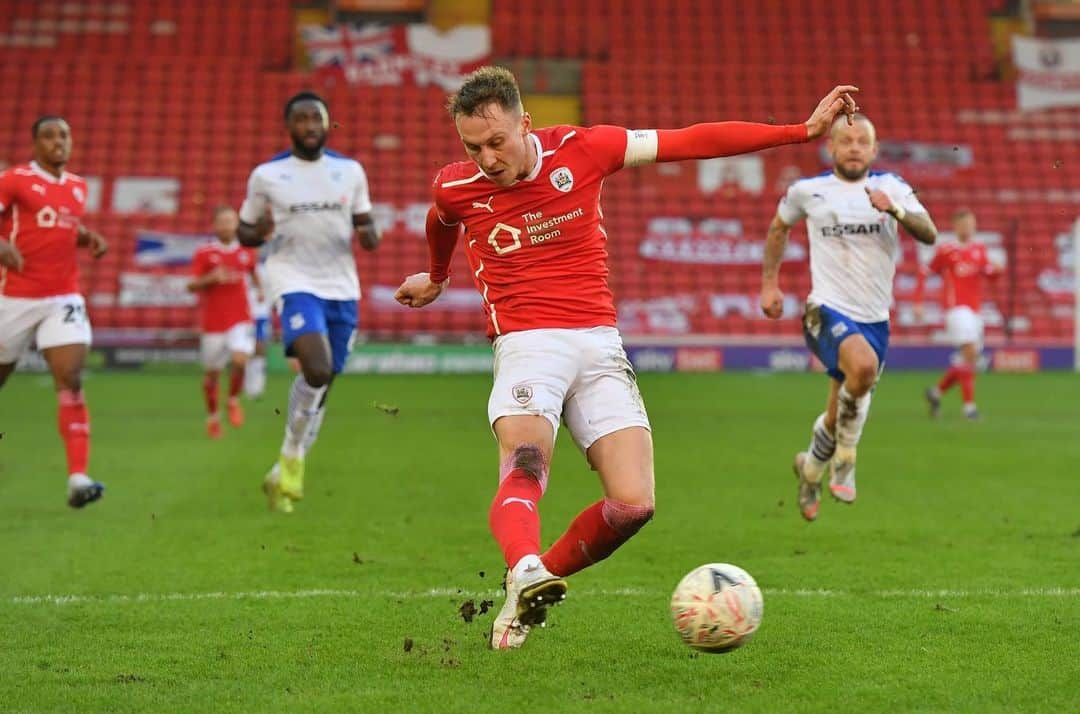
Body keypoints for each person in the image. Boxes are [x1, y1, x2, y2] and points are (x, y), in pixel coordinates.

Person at [393, 66, 859, 649]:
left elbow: (692, 141)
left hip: (598, 342)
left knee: (634, 504)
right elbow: (441, 219)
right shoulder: (456, 186)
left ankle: (528, 589)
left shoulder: (587, 149)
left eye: (496, 142)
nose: (486, 158)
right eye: (473, 147)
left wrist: (799, 131)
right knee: (527, 461)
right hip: (526, 342)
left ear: (525, 125)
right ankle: (525, 566)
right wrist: (437, 277)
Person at [760, 113, 938, 522]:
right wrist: (770, 284)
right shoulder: (809, 191)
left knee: (839, 408)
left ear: (874, 150)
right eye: (846, 140)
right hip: (824, 308)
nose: (854, 147)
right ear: (831, 148)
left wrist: (893, 210)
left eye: (862, 141)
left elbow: (929, 232)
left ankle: (809, 471)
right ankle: (846, 459)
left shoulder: (891, 188)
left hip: (875, 319)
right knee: (863, 367)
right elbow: (777, 228)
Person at [237, 91, 380, 513]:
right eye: (301, 120)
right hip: (292, 278)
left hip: (342, 286)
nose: (309, 126)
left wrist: (371, 235)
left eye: (316, 118)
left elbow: (365, 223)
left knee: (323, 385)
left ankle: (282, 471)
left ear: (326, 123)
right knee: (315, 369)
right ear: (290, 126)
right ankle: (293, 455)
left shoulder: (349, 171)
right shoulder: (267, 175)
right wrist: (258, 230)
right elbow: (245, 233)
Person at [0, 116, 109, 508]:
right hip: (13, 297)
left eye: (64, 134)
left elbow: (61, 226)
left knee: (71, 377)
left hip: (63, 297)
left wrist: (88, 237)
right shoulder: (14, 180)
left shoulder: (78, 187)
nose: (57, 142)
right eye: (48, 136)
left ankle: (78, 478)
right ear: (35, 144)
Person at [920, 208, 1001, 420]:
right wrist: (918, 302)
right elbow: (924, 272)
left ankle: (936, 393)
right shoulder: (946, 250)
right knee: (971, 352)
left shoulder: (979, 249)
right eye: (964, 224)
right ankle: (969, 408)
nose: (968, 228)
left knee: (968, 359)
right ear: (956, 227)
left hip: (975, 311)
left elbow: (988, 274)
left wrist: (997, 270)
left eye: (971, 224)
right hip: (956, 308)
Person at [188, 206, 258, 438]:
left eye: (231, 221)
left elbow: (255, 276)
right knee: (212, 375)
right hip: (213, 323)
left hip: (241, 319)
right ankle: (213, 417)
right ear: (215, 225)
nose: (227, 226)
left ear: (237, 224)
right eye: (223, 222)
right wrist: (211, 278)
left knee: (240, 360)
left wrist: (261, 291)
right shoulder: (204, 253)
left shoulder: (247, 252)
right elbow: (191, 285)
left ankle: (232, 400)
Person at [244, 254, 271, 400]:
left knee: (259, 348)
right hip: (242, 313)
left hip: (261, 313)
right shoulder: (242, 264)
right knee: (244, 349)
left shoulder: (267, 268)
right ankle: (244, 383)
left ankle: (257, 385)